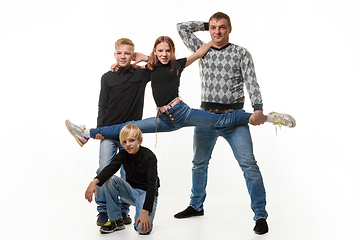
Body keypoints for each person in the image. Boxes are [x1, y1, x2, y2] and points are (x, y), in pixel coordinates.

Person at [65, 36, 295, 145]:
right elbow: (133, 68)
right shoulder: (150, 68)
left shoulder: (178, 65)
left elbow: (199, 53)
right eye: (160, 50)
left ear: (173, 51)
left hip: (182, 113)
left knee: (223, 120)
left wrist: (213, 39)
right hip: (165, 119)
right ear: (155, 51)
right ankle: (87, 134)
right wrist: (127, 63)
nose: (164, 54)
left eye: (168, 50)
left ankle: (270, 117)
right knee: (129, 129)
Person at [173, 12, 275, 235]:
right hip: (206, 117)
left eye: (221, 27)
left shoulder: (241, 53)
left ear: (230, 28)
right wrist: (204, 25)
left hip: (234, 118)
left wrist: (258, 109)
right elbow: (181, 27)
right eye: (213, 27)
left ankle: (260, 215)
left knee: (249, 165)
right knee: (199, 163)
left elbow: (252, 83)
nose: (217, 32)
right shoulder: (203, 49)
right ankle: (196, 205)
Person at [93, 38, 151, 226]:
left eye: (127, 53)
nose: (123, 56)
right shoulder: (107, 77)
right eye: (120, 53)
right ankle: (103, 211)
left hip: (129, 133)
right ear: (115, 54)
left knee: (128, 172)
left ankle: (123, 211)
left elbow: (161, 69)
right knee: (104, 169)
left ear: (132, 55)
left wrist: (145, 58)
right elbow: (102, 104)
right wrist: (100, 128)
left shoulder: (141, 75)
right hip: (109, 131)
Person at [85, 124, 159, 235]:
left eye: (131, 140)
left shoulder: (149, 157)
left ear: (140, 140)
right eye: (124, 142)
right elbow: (110, 168)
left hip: (146, 194)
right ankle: (116, 220)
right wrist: (94, 181)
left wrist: (145, 211)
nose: (128, 145)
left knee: (142, 229)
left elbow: (152, 186)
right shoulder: (123, 154)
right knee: (110, 180)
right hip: (131, 192)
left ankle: (142, 213)